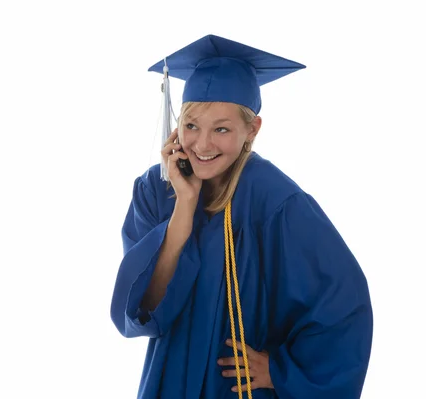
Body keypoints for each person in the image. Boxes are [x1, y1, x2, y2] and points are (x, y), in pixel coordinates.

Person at [110, 34, 373, 399]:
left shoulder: (276, 199)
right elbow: (146, 310)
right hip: (170, 380)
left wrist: (282, 371)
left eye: (221, 129)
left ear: (252, 129)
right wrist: (184, 208)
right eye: (191, 126)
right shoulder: (156, 189)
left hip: (238, 388)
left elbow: (343, 303)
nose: (202, 145)